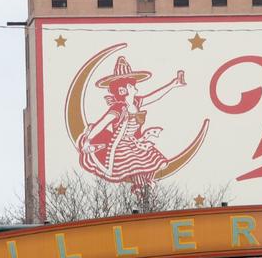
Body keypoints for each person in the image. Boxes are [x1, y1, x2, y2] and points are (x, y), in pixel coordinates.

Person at [77, 55, 186, 195]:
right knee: (136, 166)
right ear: (123, 89)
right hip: (122, 145)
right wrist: (88, 139)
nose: (135, 87)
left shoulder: (136, 103)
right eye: (132, 85)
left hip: (135, 143)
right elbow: (102, 124)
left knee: (152, 161)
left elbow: (154, 96)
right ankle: (140, 188)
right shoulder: (118, 108)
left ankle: (146, 186)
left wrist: (173, 84)